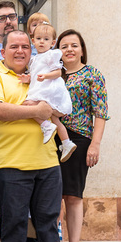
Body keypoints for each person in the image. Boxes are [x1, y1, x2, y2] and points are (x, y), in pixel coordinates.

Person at [0, 30, 74, 242]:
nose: (20, 51)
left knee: (49, 225)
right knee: (13, 225)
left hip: (47, 162)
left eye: (25, 46)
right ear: (3, 51)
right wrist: (37, 110)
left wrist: (46, 108)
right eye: (14, 46)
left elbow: (59, 108)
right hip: (11, 163)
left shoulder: (39, 74)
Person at [56, 29, 109, 242]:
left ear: (82, 50)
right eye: (64, 46)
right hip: (49, 138)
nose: (69, 49)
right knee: (51, 197)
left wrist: (95, 144)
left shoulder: (92, 74)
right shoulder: (53, 73)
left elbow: (101, 112)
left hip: (78, 140)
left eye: (74, 45)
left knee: (73, 195)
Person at [26, 22, 76, 161]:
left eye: (46, 39)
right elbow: (35, 74)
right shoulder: (34, 59)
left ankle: (45, 125)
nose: (42, 42)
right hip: (42, 88)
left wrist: (46, 76)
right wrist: (27, 78)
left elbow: (58, 72)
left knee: (27, 105)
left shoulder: (51, 55)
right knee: (54, 118)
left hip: (49, 90)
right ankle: (66, 142)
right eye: (39, 38)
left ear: (53, 43)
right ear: (33, 41)